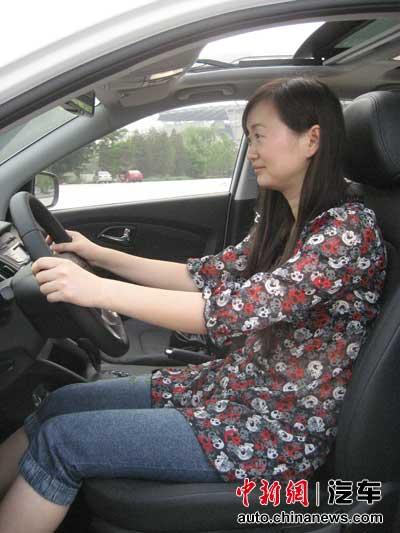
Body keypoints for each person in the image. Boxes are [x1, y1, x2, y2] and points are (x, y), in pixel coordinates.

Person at [0, 77, 387, 532]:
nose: (252, 151)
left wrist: (95, 289)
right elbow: (201, 276)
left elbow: (231, 311)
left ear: (312, 139)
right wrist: (96, 255)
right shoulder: (287, 220)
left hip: (274, 431)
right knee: (57, 404)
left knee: (62, 441)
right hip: (232, 388)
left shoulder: (346, 232)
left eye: (259, 135)